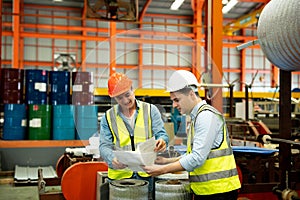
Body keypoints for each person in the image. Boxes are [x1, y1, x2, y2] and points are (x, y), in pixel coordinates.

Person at [143, 70, 241, 200]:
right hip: (209, 191)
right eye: (173, 100)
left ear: (191, 94)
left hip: (218, 191)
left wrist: (162, 170)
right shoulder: (197, 117)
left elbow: (197, 158)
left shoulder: (206, 117)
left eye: (177, 100)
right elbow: (193, 154)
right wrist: (167, 161)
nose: (174, 105)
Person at [99, 72, 169, 197]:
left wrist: (162, 141)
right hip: (120, 177)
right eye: (120, 98)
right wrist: (112, 159)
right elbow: (104, 146)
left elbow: (162, 135)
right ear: (114, 98)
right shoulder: (108, 117)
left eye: (127, 95)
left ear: (133, 90)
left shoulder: (150, 110)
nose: (125, 101)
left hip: (146, 173)